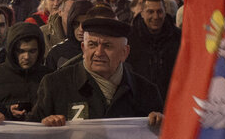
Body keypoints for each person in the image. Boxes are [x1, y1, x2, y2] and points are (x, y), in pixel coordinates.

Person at [29, 16, 164, 125]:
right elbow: (30, 138)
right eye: (92, 45)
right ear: (83, 48)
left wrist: (160, 123)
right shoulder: (55, 85)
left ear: (125, 52)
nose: (99, 53)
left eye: (107, 46)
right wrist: (44, 125)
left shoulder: (146, 91)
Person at [0, 21, 50, 120]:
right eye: (21, 51)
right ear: (12, 50)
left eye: (32, 51)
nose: (26, 57)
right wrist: (6, 111)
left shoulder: (49, 77)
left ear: (40, 50)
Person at [127, 0, 180, 100]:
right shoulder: (130, 38)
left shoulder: (178, 37)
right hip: (138, 102)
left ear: (165, 12)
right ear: (142, 13)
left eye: (159, 11)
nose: (156, 17)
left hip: (171, 99)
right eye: (150, 12)